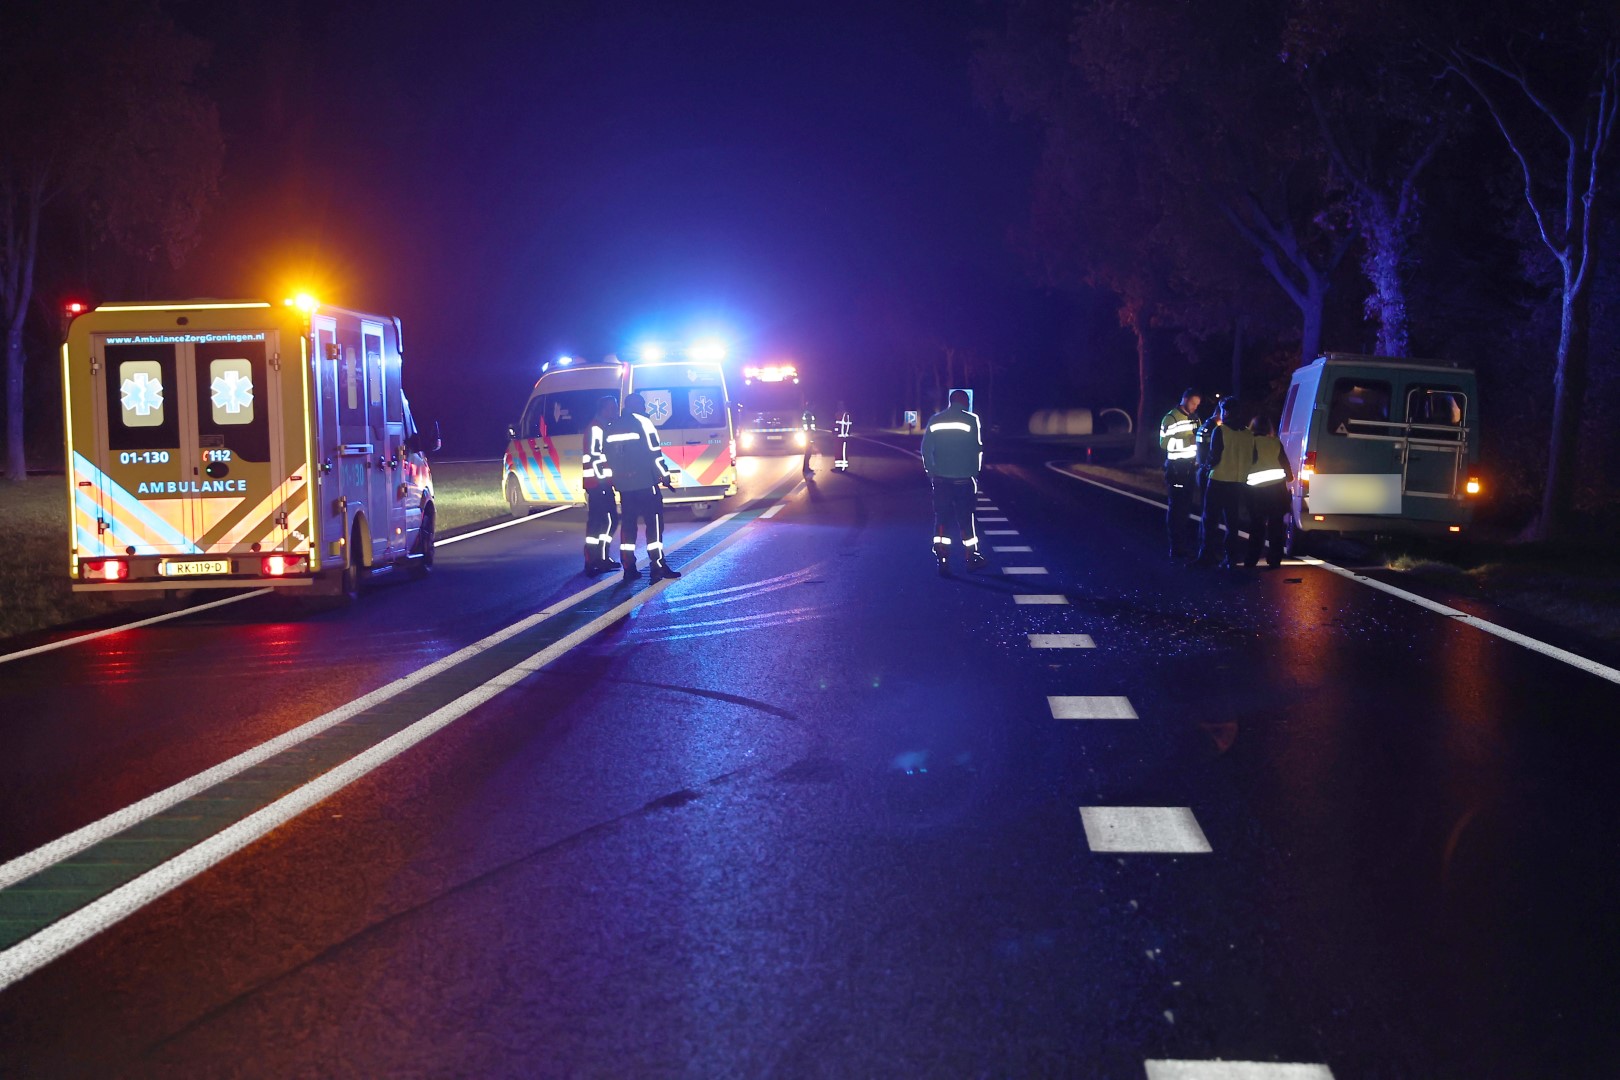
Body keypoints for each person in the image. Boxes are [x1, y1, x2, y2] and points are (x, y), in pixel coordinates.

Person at [603, 393, 681, 582]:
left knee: (628, 527)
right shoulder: (644, 423)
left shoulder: (611, 427)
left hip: (625, 487)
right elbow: (655, 454)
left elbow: (607, 457)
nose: (645, 408)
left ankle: (629, 568)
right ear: (636, 405)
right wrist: (665, 475)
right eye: (643, 404)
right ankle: (658, 565)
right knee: (653, 525)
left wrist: (616, 479)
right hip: (646, 484)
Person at [921, 389, 985, 576]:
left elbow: (926, 449)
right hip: (964, 480)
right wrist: (975, 473)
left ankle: (942, 557)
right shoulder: (972, 420)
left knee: (942, 519)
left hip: (941, 480)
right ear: (964, 402)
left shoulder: (935, 420)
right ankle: (971, 556)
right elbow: (976, 449)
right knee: (966, 519)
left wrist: (931, 471)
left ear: (950, 401)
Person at [1195, 398, 1253, 569]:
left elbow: (1215, 456)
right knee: (1232, 522)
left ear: (1225, 412)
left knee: (1210, 520)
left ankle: (1207, 555)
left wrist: (1205, 467)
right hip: (1237, 483)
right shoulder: (1248, 433)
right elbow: (1253, 456)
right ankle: (1231, 557)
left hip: (1218, 480)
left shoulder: (1220, 431)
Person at [579, 395, 622, 575]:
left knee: (603, 521)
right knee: (605, 520)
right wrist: (603, 481)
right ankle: (596, 558)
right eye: (612, 408)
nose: (615, 411)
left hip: (598, 483)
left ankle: (599, 558)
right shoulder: (597, 428)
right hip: (598, 483)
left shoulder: (601, 427)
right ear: (604, 409)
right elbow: (595, 457)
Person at [1244, 414, 1292, 568]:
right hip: (1277, 490)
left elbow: (1246, 463)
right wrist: (1289, 479)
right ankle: (1275, 559)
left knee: (1257, 526)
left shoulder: (1251, 441)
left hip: (1257, 492)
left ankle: (1252, 559)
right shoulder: (1275, 442)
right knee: (1276, 527)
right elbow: (1286, 466)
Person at [1158, 388, 1202, 558]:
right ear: (1184, 399)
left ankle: (1183, 542)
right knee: (1177, 508)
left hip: (1191, 468)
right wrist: (1187, 441)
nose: (1195, 407)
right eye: (1193, 403)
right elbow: (1163, 444)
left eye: (1197, 405)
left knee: (1186, 507)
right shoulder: (1171, 418)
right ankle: (1175, 546)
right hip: (1177, 469)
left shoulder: (1195, 418)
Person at [833, 402, 852, 472]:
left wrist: (846, 434)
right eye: (838, 405)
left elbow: (848, 425)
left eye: (841, 405)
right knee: (838, 451)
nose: (839, 407)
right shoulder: (837, 414)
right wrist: (834, 432)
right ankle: (838, 467)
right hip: (837, 436)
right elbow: (835, 425)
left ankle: (844, 467)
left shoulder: (846, 414)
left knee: (843, 452)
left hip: (843, 436)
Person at [801, 402, 816, 476]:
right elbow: (809, 426)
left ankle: (806, 467)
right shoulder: (808, 414)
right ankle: (806, 468)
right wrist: (811, 435)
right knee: (808, 452)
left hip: (808, 435)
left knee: (808, 452)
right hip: (808, 435)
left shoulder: (807, 414)